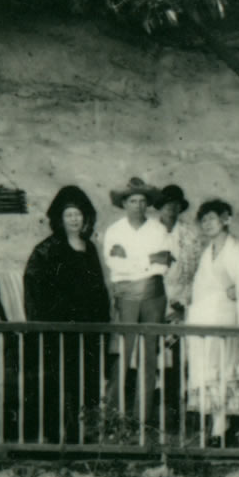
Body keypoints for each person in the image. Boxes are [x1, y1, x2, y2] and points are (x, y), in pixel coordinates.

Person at [22, 185, 111, 443]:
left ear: (86, 217)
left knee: (87, 382)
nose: (74, 219)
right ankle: (55, 437)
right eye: (69, 214)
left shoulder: (90, 248)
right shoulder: (47, 250)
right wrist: (51, 321)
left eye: (78, 214)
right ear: (60, 219)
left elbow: (99, 289)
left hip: (88, 331)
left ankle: (84, 435)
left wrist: (101, 321)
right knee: (59, 383)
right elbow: (34, 290)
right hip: (59, 332)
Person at [182, 199, 239, 447]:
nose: (207, 224)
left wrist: (233, 292)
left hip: (224, 320)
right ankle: (216, 426)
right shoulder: (208, 252)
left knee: (223, 372)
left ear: (226, 219)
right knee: (209, 372)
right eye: (203, 220)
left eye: (212, 219)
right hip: (205, 320)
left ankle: (220, 427)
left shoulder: (233, 249)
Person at [103, 177, 175, 410]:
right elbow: (115, 265)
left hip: (154, 295)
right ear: (124, 203)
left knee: (149, 356)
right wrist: (148, 259)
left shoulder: (158, 229)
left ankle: (142, 416)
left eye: (143, 201)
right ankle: (113, 415)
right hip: (126, 296)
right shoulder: (114, 231)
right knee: (121, 353)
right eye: (133, 200)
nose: (138, 205)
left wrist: (132, 260)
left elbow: (163, 264)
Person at [157, 185, 202, 323]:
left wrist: (183, 303)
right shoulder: (148, 232)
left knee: (181, 340)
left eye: (175, 203)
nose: (171, 207)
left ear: (180, 208)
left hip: (183, 300)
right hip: (154, 298)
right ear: (160, 206)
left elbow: (198, 272)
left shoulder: (191, 234)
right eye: (167, 203)